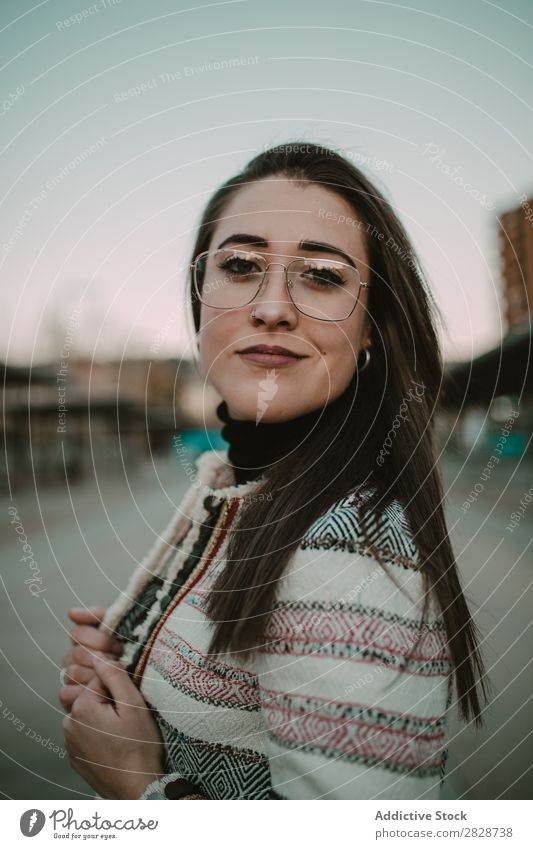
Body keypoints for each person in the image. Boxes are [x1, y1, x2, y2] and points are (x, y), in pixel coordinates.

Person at [59, 141, 487, 800]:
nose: (271, 306)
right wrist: (138, 657)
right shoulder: (235, 486)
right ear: (200, 293)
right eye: (238, 264)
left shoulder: (345, 551)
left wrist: (138, 787)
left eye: (320, 274)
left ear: (371, 325)